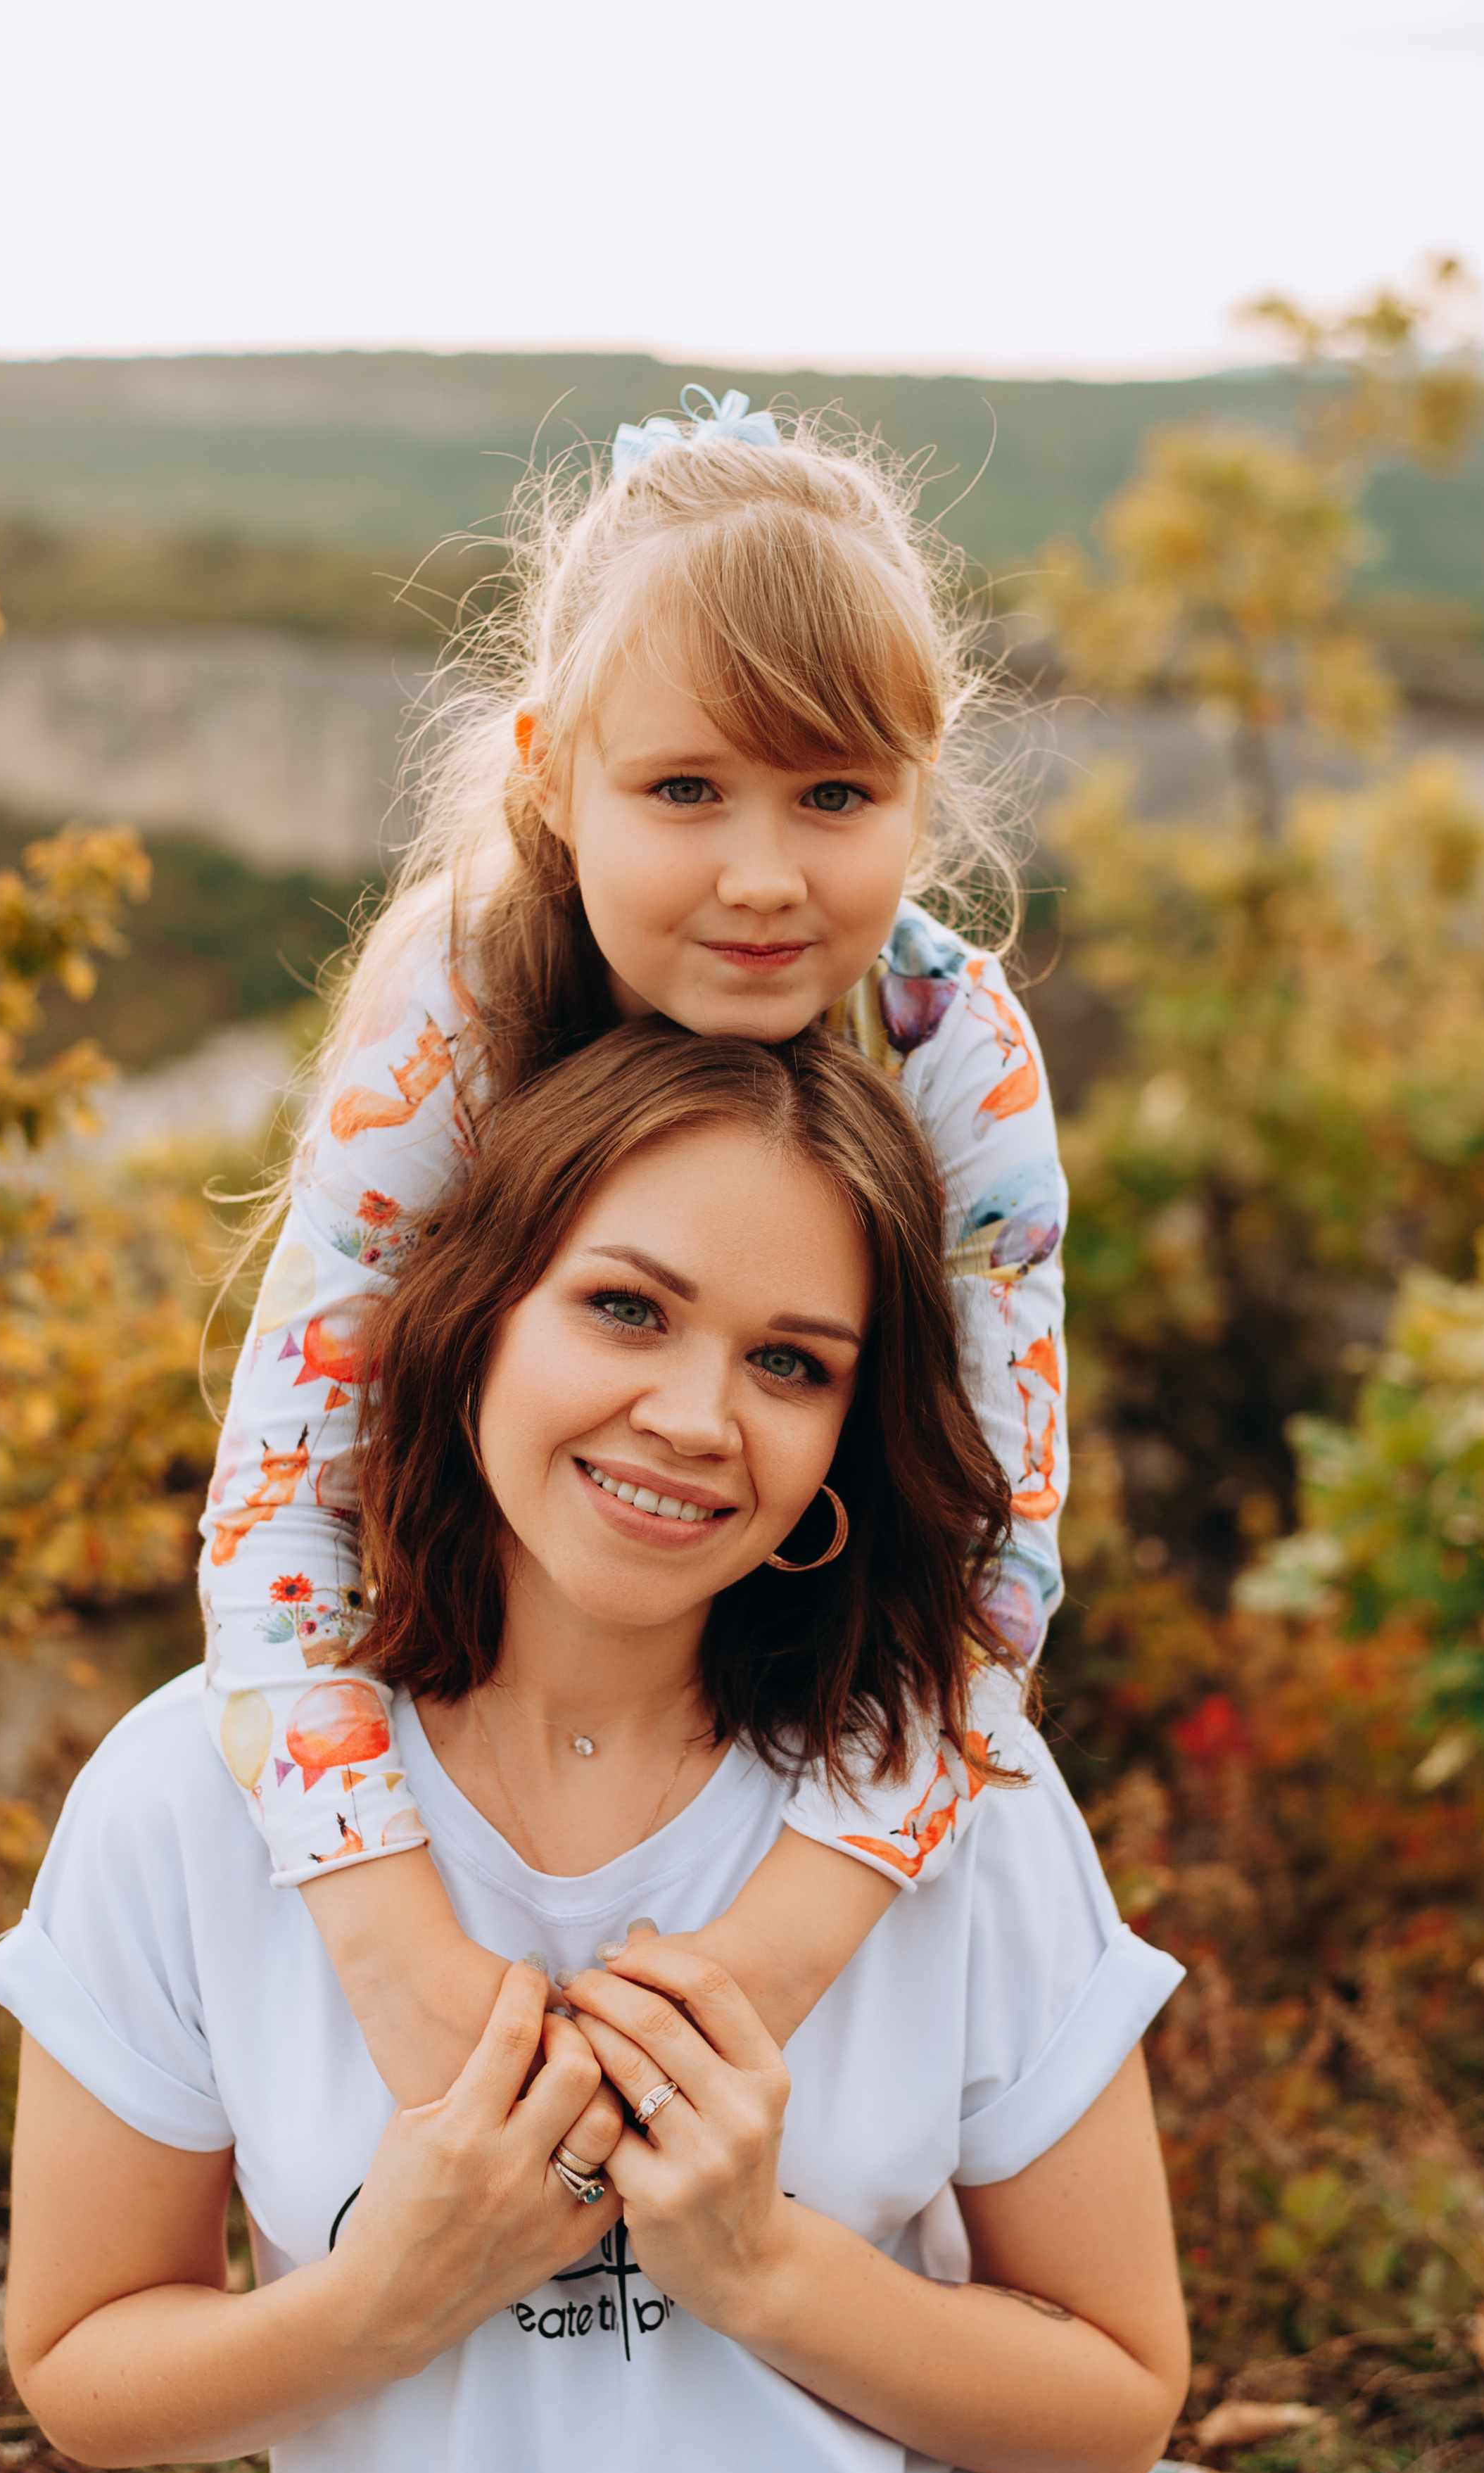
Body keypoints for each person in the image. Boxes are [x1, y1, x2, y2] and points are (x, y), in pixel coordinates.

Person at [0, 1025, 1186, 2473]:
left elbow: (1116, 2393)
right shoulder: (194, 1793)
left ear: (848, 1433)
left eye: (791, 1364)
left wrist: (764, 2265)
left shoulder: (945, 1798)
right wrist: (394, 2290)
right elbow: (88, 2361)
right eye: (624, 1307)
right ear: (474, 1312)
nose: (695, 1416)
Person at [196, 386, 1070, 2118]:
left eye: (834, 792)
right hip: (465, 1674)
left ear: (919, 787)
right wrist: (391, 1938)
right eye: (684, 787)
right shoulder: (458, 999)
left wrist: (792, 1939)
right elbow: (282, 1487)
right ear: (550, 772)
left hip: (815, 1696)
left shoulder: (947, 1035)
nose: (762, 874)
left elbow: (996, 1544)